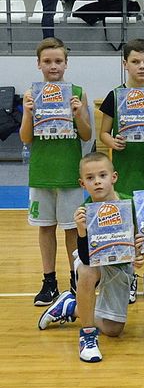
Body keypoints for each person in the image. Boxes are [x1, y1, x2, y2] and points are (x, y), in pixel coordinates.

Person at [37, 152, 144, 363]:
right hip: (92, 261)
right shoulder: (84, 212)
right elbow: (86, 258)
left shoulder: (130, 204)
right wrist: (81, 230)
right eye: (90, 178)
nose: (97, 181)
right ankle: (87, 336)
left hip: (119, 266)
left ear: (114, 177)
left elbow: (137, 242)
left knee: (113, 329)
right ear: (82, 183)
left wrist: (138, 256)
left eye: (102, 175)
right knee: (86, 271)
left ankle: (71, 307)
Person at [19, 37, 92, 306]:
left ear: (66, 64)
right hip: (42, 173)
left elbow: (87, 135)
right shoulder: (31, 94)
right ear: (38, 64)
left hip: (70, 174)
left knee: (72, 230)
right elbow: (26, 138)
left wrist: (78, 114)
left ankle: (75, 280)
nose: (53, 66)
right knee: (46, 228)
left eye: (58, 61)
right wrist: (28, 113)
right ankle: (49, 282)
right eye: (47, 61)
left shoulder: (78, 92)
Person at [98, 38, 144, 304]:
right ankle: (128, 276)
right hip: (125, 172)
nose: (142, 66)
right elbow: (103, 132)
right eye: (136, 61)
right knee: (127, 226)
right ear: (124, 63)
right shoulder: (115, 96)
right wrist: (111, 141)